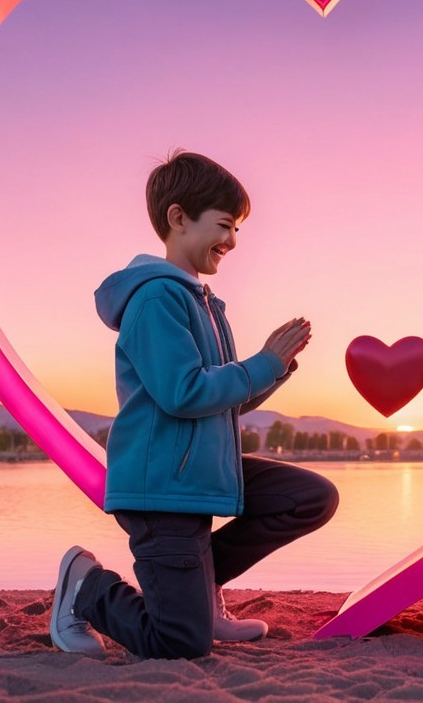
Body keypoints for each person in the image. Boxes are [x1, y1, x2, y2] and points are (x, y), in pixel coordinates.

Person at [51, 151, 339, 659]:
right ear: (179, 218)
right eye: (225, 225)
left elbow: (220, 404)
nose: (232, 241)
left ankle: (200, 589)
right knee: (180, 644)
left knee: (309, 497)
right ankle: (86, 587)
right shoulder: (156, 299)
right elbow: (184, 393)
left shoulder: (203, 303)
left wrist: (277, 367)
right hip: (162, 492)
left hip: (200, 476)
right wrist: (263, 362)